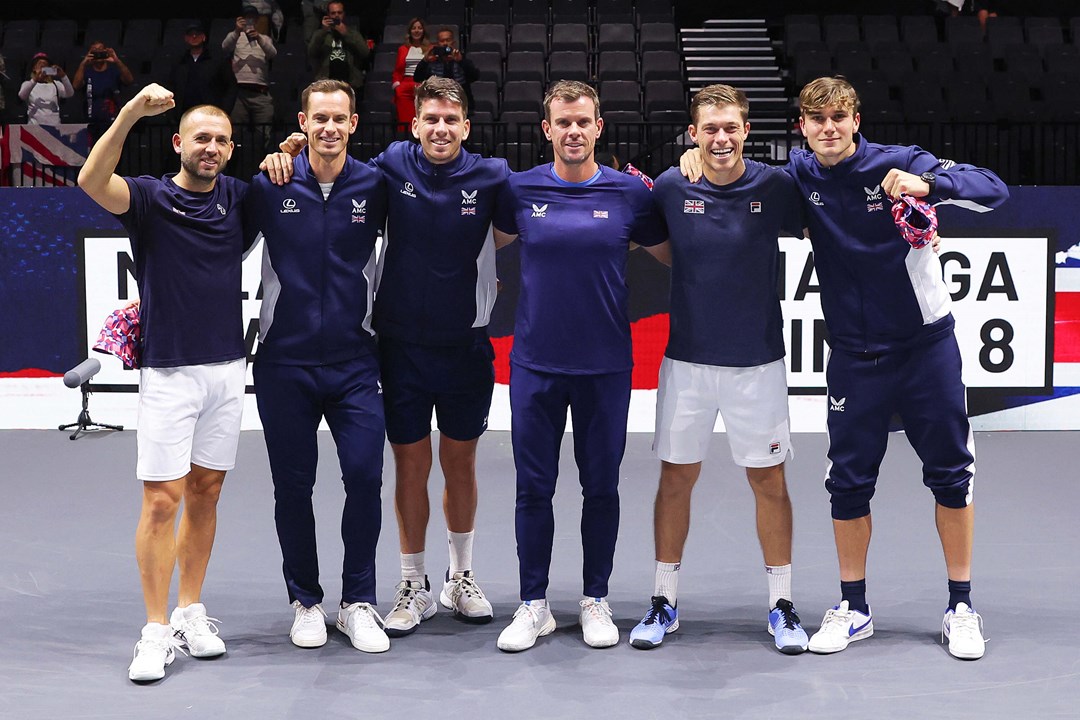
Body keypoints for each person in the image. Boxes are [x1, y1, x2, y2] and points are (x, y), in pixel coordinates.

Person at [679, 75, 1008, 660]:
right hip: (855, 358)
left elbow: (993, 190)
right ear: (802, 129)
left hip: (925, 349)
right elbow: (734, 174)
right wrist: (693, 154)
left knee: (951, 476)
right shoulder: (800, 176)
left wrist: (929, 184)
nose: (829, 128)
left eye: (840, 118)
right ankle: (854, 608)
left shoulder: (901, 163)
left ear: (856, 121)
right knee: (848, 485)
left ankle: (961, 604)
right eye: (816, 120)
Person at [627, 84, 809, 654]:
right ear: (694, 133)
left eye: (730, 127)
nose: (721, 138)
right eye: (710, 129)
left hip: (757, 364)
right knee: (675, 480)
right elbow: (654, 244)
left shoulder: (776, 186)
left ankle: (781, 604)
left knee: (769, 482)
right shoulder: (675, 186)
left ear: (747, 131)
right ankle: (663, 601)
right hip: (686, 363)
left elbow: (824, 222)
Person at [77, 84, 248, 682]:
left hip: (228, 372)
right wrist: (128, 114)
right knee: (160, 501)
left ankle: (189, 611)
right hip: (169, 374)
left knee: (205, 493)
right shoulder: (148, 197)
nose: (213, 147)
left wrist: (290, 151)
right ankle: (154, 631)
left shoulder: (239, 198)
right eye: (202, 137)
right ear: (179, 142)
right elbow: (92, 181)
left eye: (223, 140)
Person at [490, 80, 665, 653]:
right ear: (547, 129)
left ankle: (595, 598)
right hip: (536, 364)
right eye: (562, 122)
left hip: (607, 366)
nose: (572, 131)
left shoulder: (629, 194)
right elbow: (476, 233)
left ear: (598, 128)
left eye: (582, 122)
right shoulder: (518, 190)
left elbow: (678, 248)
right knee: (532, 488)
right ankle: (533, 604)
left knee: (602, 488)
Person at [244, 79, 391, 654]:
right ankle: (306, 601)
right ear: (302, 122)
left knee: (364, 478)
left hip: (356, 362)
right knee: (293, 487)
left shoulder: (375, 185)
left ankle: (357, 602)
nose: (329, 128)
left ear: (354, 124)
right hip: (285, 363)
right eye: (318, 119)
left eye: (339, 119)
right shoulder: (268, 183)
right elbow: (213, 247)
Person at [368, 77, 510, 637]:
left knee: (460, 461)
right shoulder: (391, 164)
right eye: (431, 119)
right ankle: (413, 582)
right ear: (415, 124)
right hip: (400, 345)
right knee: (409, 463)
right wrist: (286, 154)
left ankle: (461, 576)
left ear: (466, 127)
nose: (441, 128)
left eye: (451, 120)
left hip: (466, 346)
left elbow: (554, 195)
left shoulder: (492, 176)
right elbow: (329, 169)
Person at [223, 5, 277, 151]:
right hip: (240, 93)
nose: (249, 20)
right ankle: (235, 164)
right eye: (246, 17)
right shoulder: (234, 37)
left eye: (252, 17)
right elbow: (224, 47)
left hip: (261, 93)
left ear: (257, 19)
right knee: (235, 132)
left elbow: (273, 53)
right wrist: (236, 31)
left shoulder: (264, 39)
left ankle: (266, 162)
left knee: (265, 133)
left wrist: (258, 37)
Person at [71, 41, 134, 141]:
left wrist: (116, 60)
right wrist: (83, 63)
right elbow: (76, 85)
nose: (98, 53)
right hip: (92, 122)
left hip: (112, 120)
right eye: (95, 51)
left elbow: (129, 80)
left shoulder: (113, 71)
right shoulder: (87, 72)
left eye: (100, 49)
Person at [169, 23, 236, 115]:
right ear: (186, 38)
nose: (194, 36)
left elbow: (230, 86)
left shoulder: (218, 60)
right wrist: (173, 114)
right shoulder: (179, 62)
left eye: (197, 34)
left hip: (211, 113)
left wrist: (224, 111)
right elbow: (171, 86)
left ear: (204, 37)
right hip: (184, 113)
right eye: (191, 34)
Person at [308, 1, 370, 94]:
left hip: (350, 82)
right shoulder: (321, 34)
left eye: (339, 13)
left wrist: (346, 34)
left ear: (343, 14)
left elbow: (365, 52)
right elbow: (311, 52)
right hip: (326, 82)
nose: (336, 16)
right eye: (333, 13)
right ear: (328, 14)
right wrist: (323, 32)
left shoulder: (353, 33)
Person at [413, 28, 477, 112]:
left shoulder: (462, 58)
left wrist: (461, 61)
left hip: (459, 103)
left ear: (453, 43)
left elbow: (474, 76)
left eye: (448, 40)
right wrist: (425, 61)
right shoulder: (432, 61)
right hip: (436, 104)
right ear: (437, 44)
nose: (445, 43)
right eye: (442, 41)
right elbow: (417, 78)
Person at [391, 18, 430, 129]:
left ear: (423, 31)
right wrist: (397, 85)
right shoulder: (403, 49)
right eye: (414, 28)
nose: (416, 31)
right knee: (405, 121)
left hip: (422, 84)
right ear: (410, 31)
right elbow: (397, 71)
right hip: (405, 85)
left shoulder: (430, 48)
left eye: (419, 28)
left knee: (421, 119)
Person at [19, 52, 74, 125]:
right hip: (34, 128)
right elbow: (22, 96)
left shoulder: (56, 84)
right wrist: (35, 79)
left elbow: (70, 93)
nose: (42, 66)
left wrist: (63, 76)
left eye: (45, 65)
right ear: (34, 68)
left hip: (55, 127)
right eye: (39, 64)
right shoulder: (28, 84)